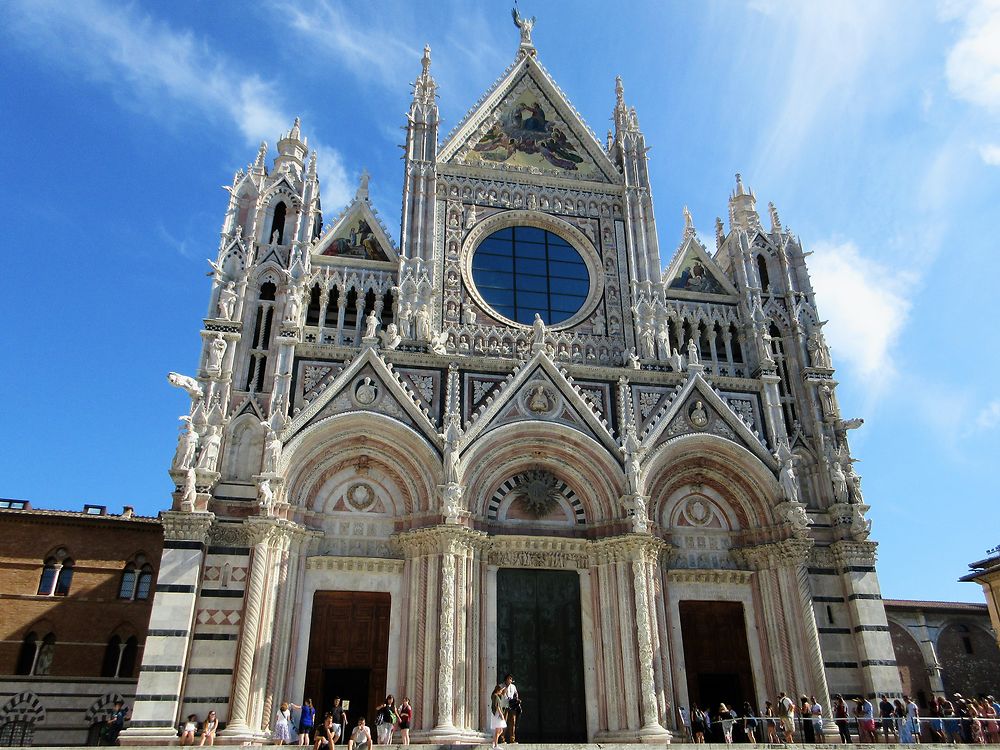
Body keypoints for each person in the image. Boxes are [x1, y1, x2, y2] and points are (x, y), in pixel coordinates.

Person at [502, 674, 520, 743]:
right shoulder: (502, 686)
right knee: (504, 723)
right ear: (505, 679)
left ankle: (512, 739)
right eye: (509, 679)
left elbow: (516, 693)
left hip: (512, 706)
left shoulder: (513, 686)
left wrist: (517, 699)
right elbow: (502, 694)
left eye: (511, 679)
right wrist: (506, 687)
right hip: (505, 706)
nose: (510, 680)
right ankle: (502, 739)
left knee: (513, 722)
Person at [490, 684, 507, 748]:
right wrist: (501, 714)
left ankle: (494, 743)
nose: (501, 692)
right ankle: (495, 745)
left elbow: (502, 693)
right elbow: (497, 707)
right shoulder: (495, 696)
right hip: (497, 714)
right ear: (498, 690)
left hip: (497, 714)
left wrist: (503, 689)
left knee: (500, 730)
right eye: (500, 690)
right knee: (498, 730)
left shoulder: (495, 695)